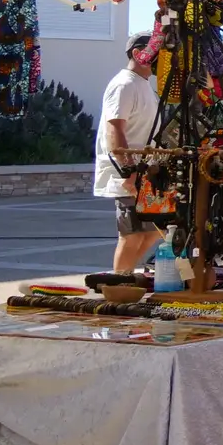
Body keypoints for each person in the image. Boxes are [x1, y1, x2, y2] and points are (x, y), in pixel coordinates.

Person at [94, 34, 160, 272]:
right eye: (156, 51)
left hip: (147, 173)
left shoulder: (144, 85)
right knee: (131, 235)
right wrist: (128, 170)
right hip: (128, 172)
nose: (161, 57)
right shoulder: (124, 84)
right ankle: (119, 283)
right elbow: (115, 128)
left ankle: (125, 276)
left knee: (153, 232)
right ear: (136, 53)